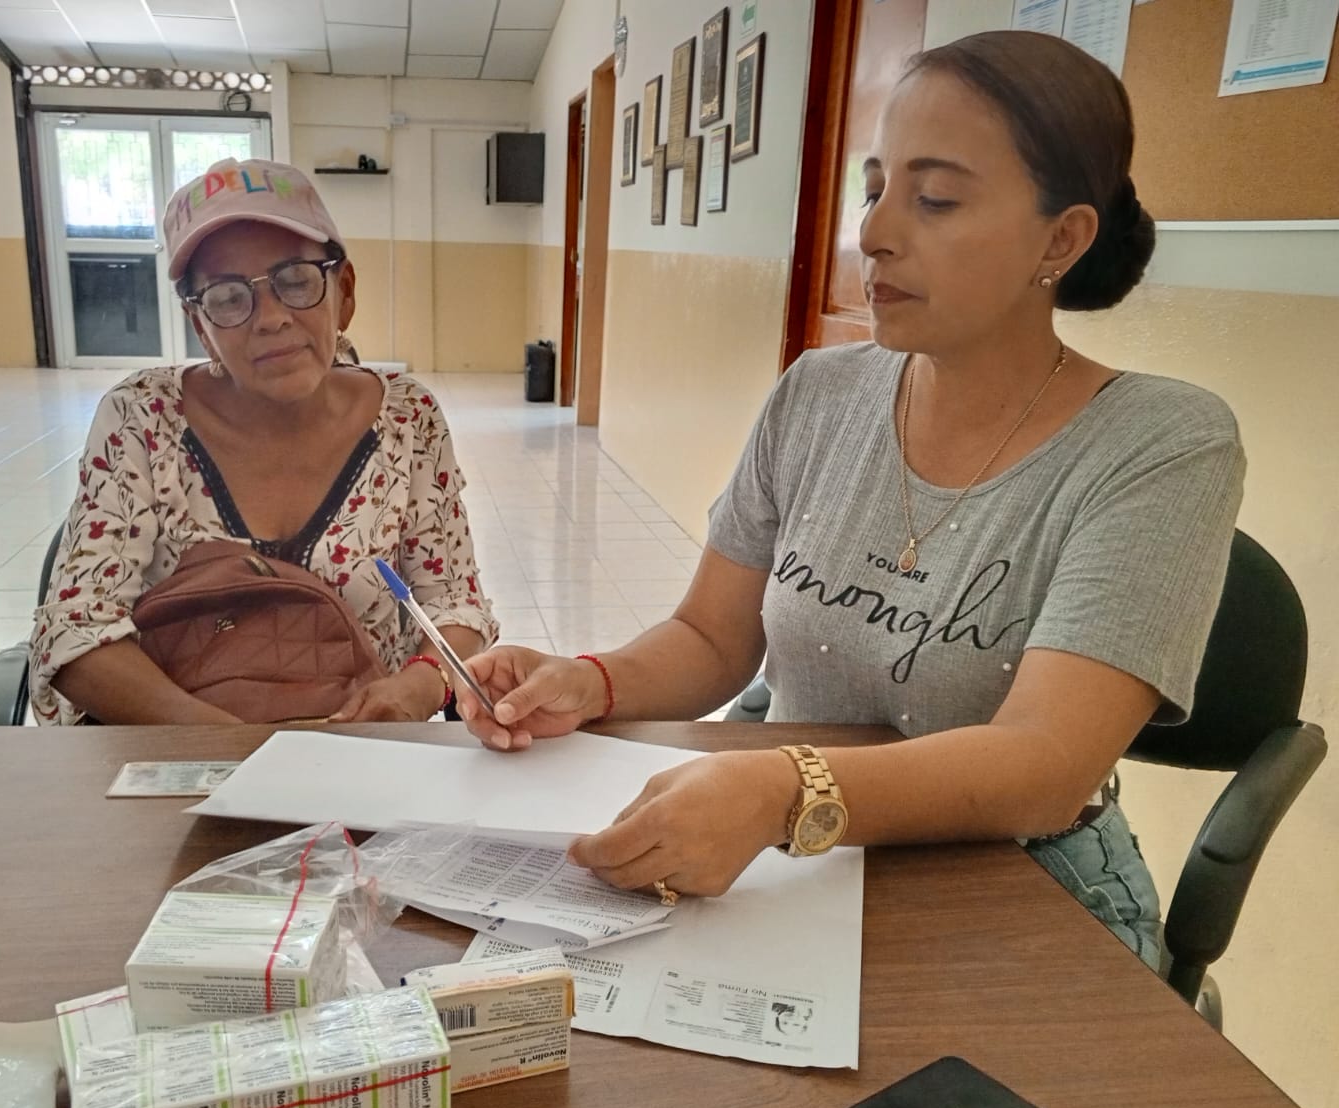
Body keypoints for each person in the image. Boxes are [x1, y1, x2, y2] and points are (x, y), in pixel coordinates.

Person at [456, 32, 1246, 970]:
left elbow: (1044, 763)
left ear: (1061, 239)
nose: (874, 233)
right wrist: (592, 681)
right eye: (873, 191)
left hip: (1019, 880)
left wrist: (781, 792)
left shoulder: (1162, 443)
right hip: (785, 856)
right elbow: (711, 638)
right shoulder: (818, 394)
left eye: (935, 199)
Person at [31, 159, 498, 725]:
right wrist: (236, 749)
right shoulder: (143, 419)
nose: (270, 318)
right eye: (229, 297)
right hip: (176, 746)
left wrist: (418, 687)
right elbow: (77, 628)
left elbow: (454, 603)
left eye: (296, 280)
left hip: (359, 747)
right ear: (201, 326)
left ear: (344, 292)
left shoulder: (407, 420)